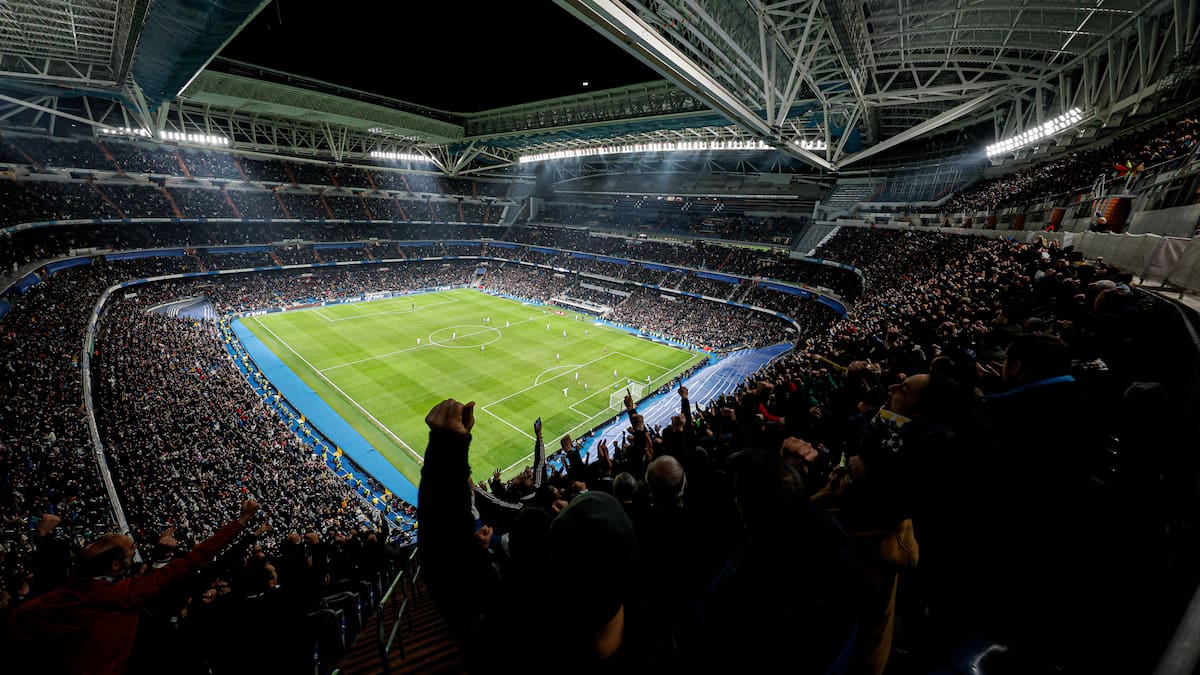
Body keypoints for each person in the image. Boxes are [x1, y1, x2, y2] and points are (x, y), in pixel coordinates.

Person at [6, 500, 262, 675]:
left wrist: (43, 538)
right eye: (130, 551)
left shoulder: (60, 590)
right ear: (117, 566)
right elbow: (198, 557)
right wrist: (243, 519)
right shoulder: (128, 594)